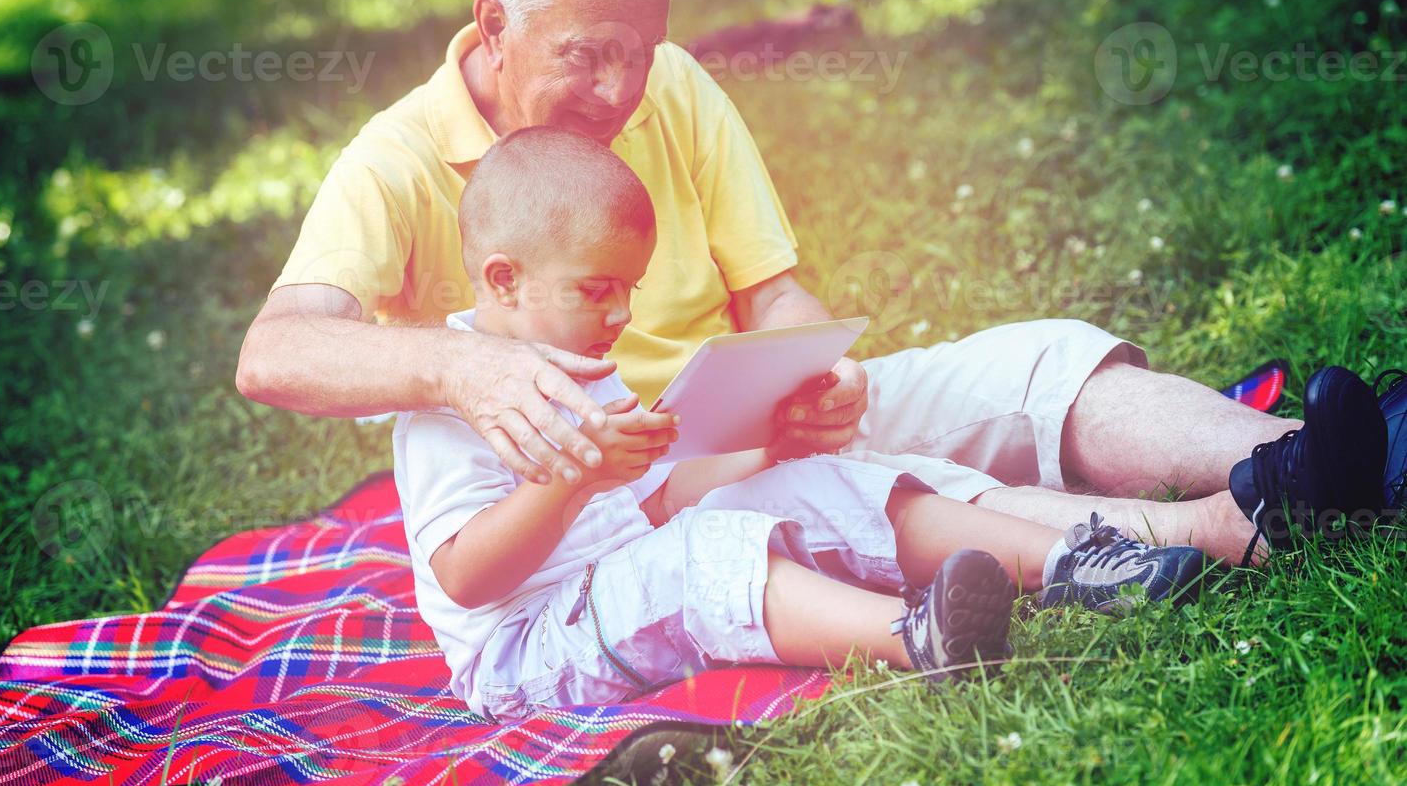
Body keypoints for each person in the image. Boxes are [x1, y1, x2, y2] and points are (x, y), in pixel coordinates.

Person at [239, 0, 1397, 575]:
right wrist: (456, 370)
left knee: (1034, 359)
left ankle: (1315, 463)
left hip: (752, 426)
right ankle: (1245, 514)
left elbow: (772, 290)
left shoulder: (676, 85)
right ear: (492, 24)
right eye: (582, 56)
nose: (616, 90)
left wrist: (810, 367)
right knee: (903, 487)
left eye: (634, 55)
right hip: (628, 503)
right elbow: (275, 353)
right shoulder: (394, 159)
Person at [393, 127, 1210, 719]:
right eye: (596, 290)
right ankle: (915, 639)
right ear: (503, 281)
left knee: (808, 479)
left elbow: (657, 499)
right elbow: (468, 577)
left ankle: (1079, 562)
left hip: (625, 569)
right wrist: (568, 482)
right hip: (528, 649)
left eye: (630, 288)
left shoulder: (583, 367)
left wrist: (769, 447)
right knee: (694, 556)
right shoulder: (444, 410)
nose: (622, 311)